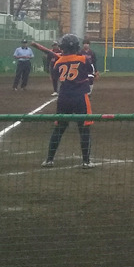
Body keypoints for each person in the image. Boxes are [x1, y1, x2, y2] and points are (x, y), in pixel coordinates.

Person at [31, 34, 97, 168]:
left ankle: (49, 159)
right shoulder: (84, 59)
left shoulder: (58, 62)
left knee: (59, 129)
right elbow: (91, 74)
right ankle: (86, 161)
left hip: (64, 98)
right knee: (84, 129)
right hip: (80, 98)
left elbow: (55, 76)